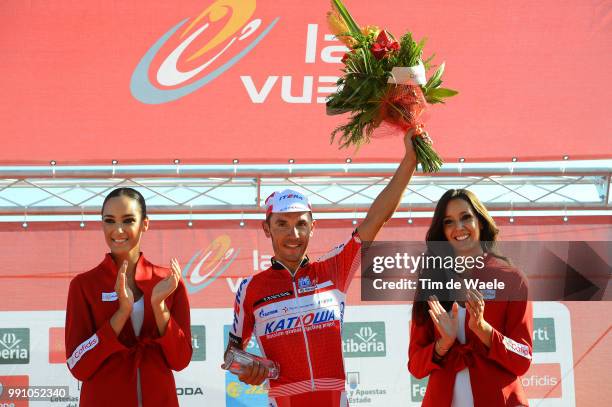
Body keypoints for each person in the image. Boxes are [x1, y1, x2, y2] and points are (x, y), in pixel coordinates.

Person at [223, 132, 422, 407]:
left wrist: (410, 160)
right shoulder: (251, 288)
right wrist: (248, 370)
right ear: (267, 228)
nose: (293, 234)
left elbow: (378, 217)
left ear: (312, 227)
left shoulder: (333, 270)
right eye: (282, 224)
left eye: (301, 223)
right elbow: (232, 354)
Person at [65, 187, 192, 406]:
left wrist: (158, 306)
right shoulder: (84, 285)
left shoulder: (168, 282)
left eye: (128, 220)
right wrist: (122, 313)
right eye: (110, 220)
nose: (118, 230)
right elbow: (79, 366)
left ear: (145, 224)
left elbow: (180, 360)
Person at [408, 189, 533, 406]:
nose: (459, 228)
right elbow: (416, 366)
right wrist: (442, 344)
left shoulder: (512, 279)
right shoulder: (430, 282)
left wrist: (484, 330)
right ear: (442, 231)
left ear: (480, 222)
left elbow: (522, 358)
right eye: (448, 222)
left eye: (466, 217)